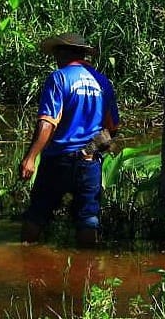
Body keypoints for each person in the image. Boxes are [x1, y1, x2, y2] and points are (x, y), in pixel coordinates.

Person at [20, 32, 119, 246]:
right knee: (88, 219)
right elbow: (112, 130)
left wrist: (30, 158)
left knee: (37, 214)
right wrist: (89, 149)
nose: (55, 59)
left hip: (58, 160)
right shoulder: (103, 82)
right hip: (89, 162)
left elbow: (47, 123)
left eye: (57, 53)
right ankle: (88, 264)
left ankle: (24, 256)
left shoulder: (59, 78)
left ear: (65, 53)